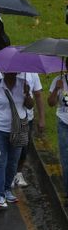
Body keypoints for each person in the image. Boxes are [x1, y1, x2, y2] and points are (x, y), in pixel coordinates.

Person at [0, 72, 34, 209]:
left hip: (17, 131)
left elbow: (30, 106)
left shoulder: (24, 84)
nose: (9, 73)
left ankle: (7, 190)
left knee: (12, 163)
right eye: (6, 71)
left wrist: (27, 94)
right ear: (2, 72)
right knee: (0, 162)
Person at [47, 72, 68, 203]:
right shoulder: (58, 80)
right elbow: (50, 103)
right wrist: (56, 89)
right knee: (65, 159)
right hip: (64, 122)